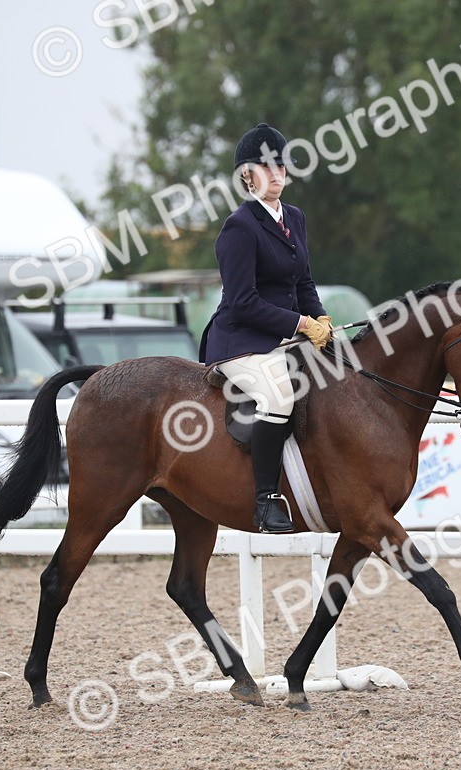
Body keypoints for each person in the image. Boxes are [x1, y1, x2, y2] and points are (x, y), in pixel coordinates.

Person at [200, 123, 333, 533]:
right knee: (278, 396)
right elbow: (243, 302)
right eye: (265, 167)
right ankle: (266, 500)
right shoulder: (239, 227)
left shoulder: (294, 217)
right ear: (247, 176)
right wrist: (301, 323)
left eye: (281, 166)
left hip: (284, 338)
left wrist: (322, 319)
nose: (276, 174)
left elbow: (303, 281)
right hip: (241, 342)